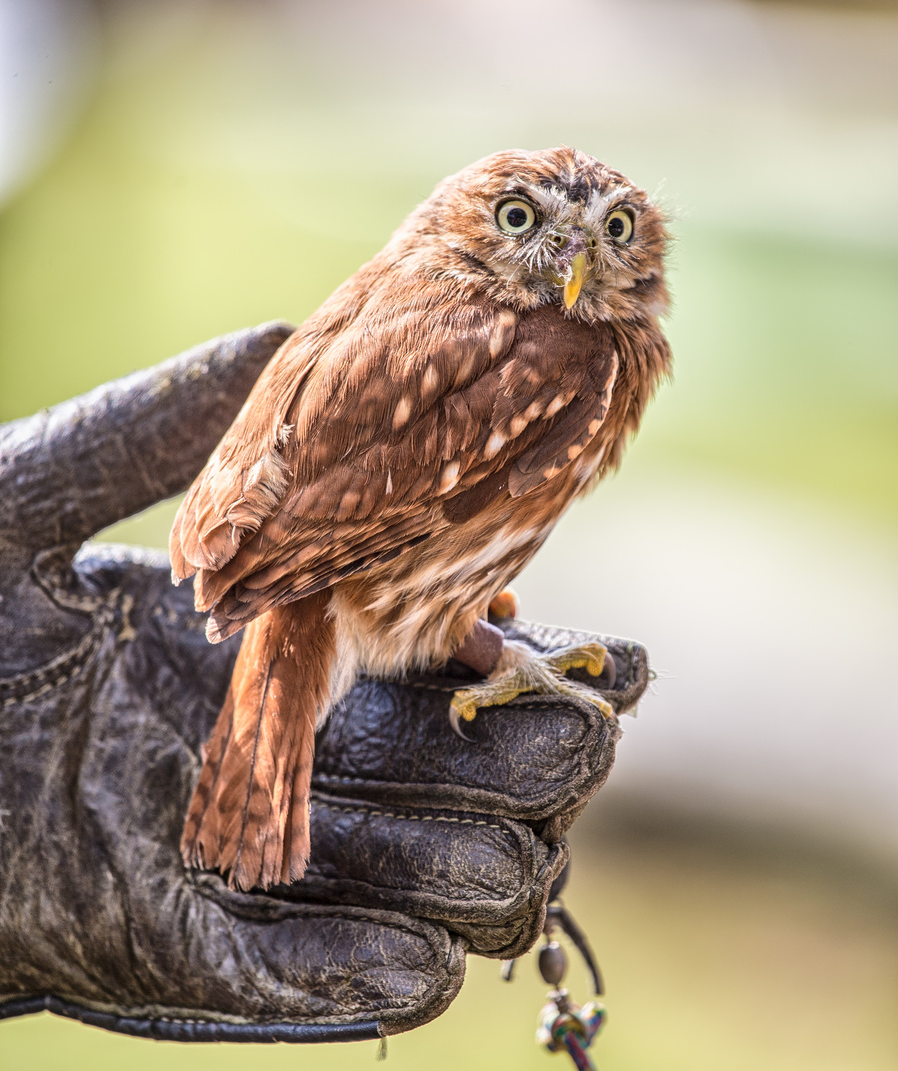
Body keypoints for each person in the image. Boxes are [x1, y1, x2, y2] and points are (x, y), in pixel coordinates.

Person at [0, 323, 645, 1042]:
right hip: (350, 577)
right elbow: (395, 537)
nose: (571, 261)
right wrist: (496, 655)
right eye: (522, 219)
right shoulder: (553, 352)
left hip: (334, 570)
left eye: (616, 234)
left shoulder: (542, 335)